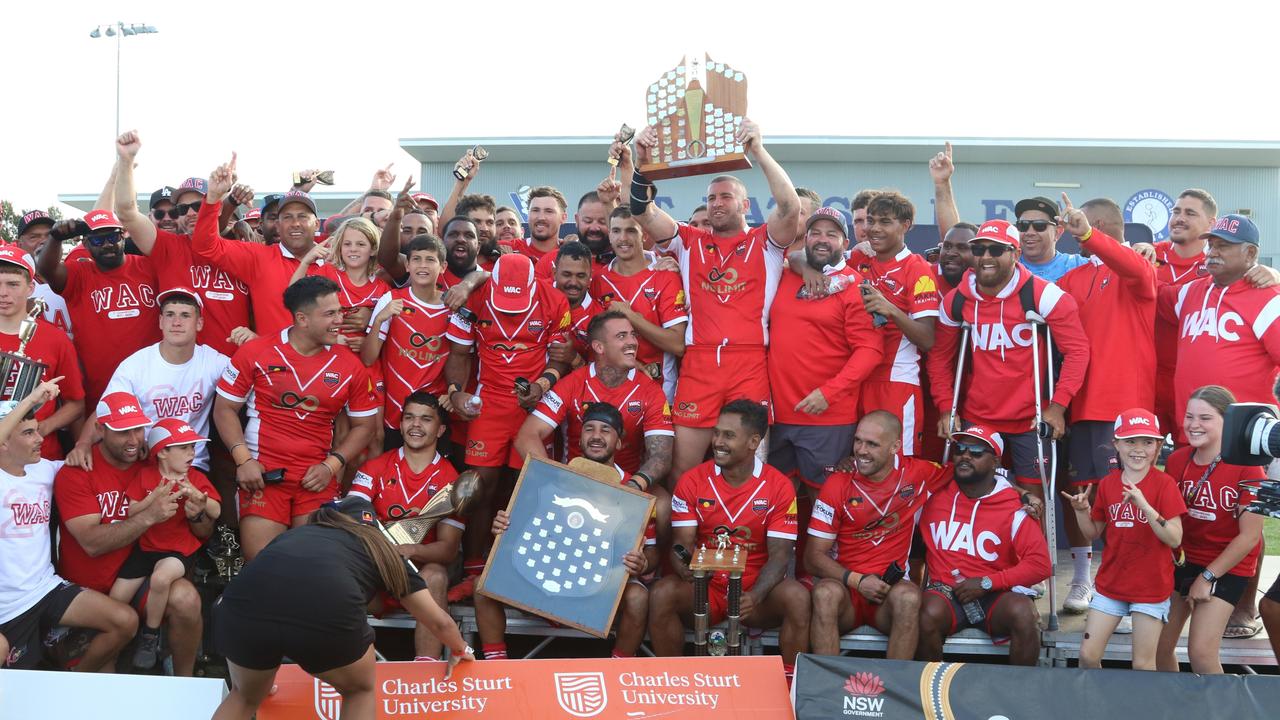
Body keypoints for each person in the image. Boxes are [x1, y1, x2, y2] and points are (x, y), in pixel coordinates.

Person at [630, 119, 800, 484]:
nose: (716, 203)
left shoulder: (764, 243)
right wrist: (641, 162)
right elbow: (642, 212)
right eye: (710, 198)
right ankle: (683, 541)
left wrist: (758, 150)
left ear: (744, 203)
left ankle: (742, 541)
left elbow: (789, 208)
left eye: (725, 197)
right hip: (700, 364)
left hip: (749, 363)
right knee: (682, 471)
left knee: (751, 472)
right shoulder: (689, 240)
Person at [211, 497, 473, 720]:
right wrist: (461, 648)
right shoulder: (382, 549)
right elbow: (439, 622)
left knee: (244, 697)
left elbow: (277, 588)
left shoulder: (294, 535)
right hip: (325, 604)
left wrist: (259, 677)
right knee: (359, 690)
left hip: (243, 604)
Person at [214, 276, 380, 561]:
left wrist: (331, 466)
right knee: (263, 563)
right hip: (264, 477)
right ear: (302, 319)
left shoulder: (350, 365)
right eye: (329, 313)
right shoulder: (256, 352)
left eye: (340, 311)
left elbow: (365, 427)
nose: (339, 320)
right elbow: (223, 409)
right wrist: (243, 460)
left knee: (312, 562)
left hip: (315, 479)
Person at [928, 219, 1090, 504]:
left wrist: (1057, 407)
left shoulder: (1044, 295)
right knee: (973, 493)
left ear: (1015, 254)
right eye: (979, 250)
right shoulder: (956, 301)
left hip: (1031, 417)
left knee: (1035, 500)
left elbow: (1077, 351)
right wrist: (945, 408)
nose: (986, 257)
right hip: (978, 416)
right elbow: (940, 358)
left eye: (996, 250)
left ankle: (1033, 549)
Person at [484, 402, 657, 660]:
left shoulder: (635, 494)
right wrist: (504, 525)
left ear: (620, 443)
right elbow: (522, 526)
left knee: (638, 597)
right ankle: (495, 669)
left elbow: (652, 551)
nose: (596, 436)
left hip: (598, 586)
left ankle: (618, 671)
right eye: (589, 429)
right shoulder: (549, 476)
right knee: (483, 584)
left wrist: (642, 562)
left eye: (605, 431)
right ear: (580, 436)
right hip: (544, 573)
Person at [650, 400, 808, 682]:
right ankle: (671, 683)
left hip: (752, 591)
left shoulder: (778, 486)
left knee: (797, 597)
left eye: (729, 436)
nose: (718, 442)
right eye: (717, 433)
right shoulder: (692, 480)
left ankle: (788, 689)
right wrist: (686, 566)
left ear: (753, 442)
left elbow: (781, 555)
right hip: (705, 588)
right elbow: (681, 544)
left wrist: (756, 596)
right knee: (663, 592)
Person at [443, 251, 572, 595]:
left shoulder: (554, 300)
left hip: (534, 404)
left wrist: (542, 385)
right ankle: (472, 569)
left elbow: (563, 359)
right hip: (489, 402)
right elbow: (458, 355)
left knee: (527, 487)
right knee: (477, 486)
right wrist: (456, 393)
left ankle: (520, 567)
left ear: (534, 285)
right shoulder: (474, 297)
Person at [1054, 195, 1159, 614]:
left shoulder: (1139, 267)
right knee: (1077, 496)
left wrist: (1086, 234)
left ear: (1096, 224)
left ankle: (1128, 583)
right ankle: (1083, 579)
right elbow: (1028, 295)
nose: (1074, 235)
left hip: (1125, 410)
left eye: (1079, 227)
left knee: (1129, 499)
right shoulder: (1078, 277)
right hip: (1079, 406)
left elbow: (1133, 267)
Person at [54, 391, 206, 675]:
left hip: (140, 580)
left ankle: (187, 683)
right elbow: (91, 543)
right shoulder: (76, 472)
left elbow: (201, 531)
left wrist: (198, 513)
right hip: (89, 592)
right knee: (101, 686)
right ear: (100, 429)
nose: (134, 439)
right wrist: (149, 515)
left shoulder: (154, 467)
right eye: (123, 431)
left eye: (138, 428)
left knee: (186, 599)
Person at [1, 381, 138, 672]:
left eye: (38, 430)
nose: (40, 438)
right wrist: (30, 399)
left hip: (45, 590)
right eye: (28, 433)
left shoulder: (46, 470)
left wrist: (84, 444)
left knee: (124, 622)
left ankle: (76, 679)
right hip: (6, 608)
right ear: (4, 442)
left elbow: (95, 460)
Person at [806, 412, 951, 659]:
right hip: (846, 592)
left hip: (888, 594)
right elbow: (812, 558)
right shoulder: (837, 483)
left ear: (896, 446)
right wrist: (858, 581)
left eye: (872, 444)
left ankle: (893, 692)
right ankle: (826, 692)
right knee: (824, 593)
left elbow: (972, 474)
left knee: (909, 597)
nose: (861, 450)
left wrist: (1021, 493)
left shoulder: (918, 473)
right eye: (858, 441)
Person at [768, 208, 883, 493]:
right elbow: (791, 257)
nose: (822, 240)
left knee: (824, 501)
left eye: (832, 235)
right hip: (776, 415)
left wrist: (828, 394)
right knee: (775, 500)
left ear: (845, 243)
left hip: (827, 417)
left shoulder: (855, 286)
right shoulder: (784, 273)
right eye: (816, 233)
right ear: (804, 238)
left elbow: (870, 351)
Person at [916, 425, 1051, 666]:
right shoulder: (934, 492)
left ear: (995, 461)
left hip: (994, 594)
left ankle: (1022, 696)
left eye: (977, 451)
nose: (966, 456)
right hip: (946, 592)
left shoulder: (1014, 506)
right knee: (925, 612)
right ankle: (927, 695)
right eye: (960, 449)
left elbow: (1041, 565)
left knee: (1023, 613)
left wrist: (988, 583)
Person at [1064, 408, 1186, 671]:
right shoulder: (1108, 484)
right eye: (1130, 441)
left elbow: (1175, 538)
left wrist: (1144, 505)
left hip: (1150, 589)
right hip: (1112, 584)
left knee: (1143, 666)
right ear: (1116, 444)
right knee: (1087, 656)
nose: (1138, 449)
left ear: (1158, 446)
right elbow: (1092, 533)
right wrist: (1081, 511)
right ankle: (1100, 707)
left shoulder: (1165, 484)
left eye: (1147, 441)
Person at [1156, 386, 1265, 673]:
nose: (1193, 424)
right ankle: (1175, 708)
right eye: (1189, 416)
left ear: (1227, 422)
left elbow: (1250, 537)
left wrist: (1207, 577)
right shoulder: (1178, 460)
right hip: (1184, 558)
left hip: (1228, 565)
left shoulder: (1249, 468)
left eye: (1205, 417)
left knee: (1201, 653)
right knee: (1158, 646)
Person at [347, 392, 463, 661]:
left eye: (426, 419)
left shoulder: (451, 481)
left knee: (435, 574)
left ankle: (425, 671)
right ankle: (340, 673)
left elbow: (447, 550)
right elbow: (352, 517)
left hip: (418, 575)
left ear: (440, 429)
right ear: (399, 425)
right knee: (339, 573)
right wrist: (387, 539)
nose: (416, 425)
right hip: (377, 567)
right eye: (409, 417)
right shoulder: (375, 467)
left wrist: (408, 548)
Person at [113, 132, 251, 358]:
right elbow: (126, 212)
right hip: (184, 375)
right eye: (181, 209)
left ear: (214, 205)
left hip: (237, 370)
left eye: (198, 205)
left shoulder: (243, 250)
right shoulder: (168, 247)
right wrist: (126, 161)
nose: (189, 213)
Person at [70, 288, 229, 480]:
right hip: (143, 460)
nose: (176, 322)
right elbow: (107, 410)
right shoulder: (136, 365)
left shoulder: (213, 362)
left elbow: (248, 378)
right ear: (161, 321)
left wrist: (252, 342)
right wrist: (83, 444)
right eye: (170, 315)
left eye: (185, 315)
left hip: (191, 463)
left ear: (199, 323)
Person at [110, 418, 221, 669]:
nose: (192, 453)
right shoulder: (146, 475)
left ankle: (150, 636)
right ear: (162, 453)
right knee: (117, 596)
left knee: (161, 579)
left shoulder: (194, 477)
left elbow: (216, 508)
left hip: (178, 550)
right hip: (147, 548)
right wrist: (155, 499)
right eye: (184, 448)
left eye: (193, 447)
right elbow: (131, 510)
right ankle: (113, 653)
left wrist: (196, 496)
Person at [518, 310, 673, 482]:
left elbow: (661, 457)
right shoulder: (573, 383)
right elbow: (527, 435)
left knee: (662, 502)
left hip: (625, 484)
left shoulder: (650, 391)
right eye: (622, 336)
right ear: (599, 347)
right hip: (572, 478)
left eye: (633, 335)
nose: (632, 342)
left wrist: (632, 488)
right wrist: (554, 481)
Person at [1169, 214, 1280, 442]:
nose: (1212, 252)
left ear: (1250, 253)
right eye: (1211, 245)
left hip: (1243, 440)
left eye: (1223, 246)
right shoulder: (1189, 291)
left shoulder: (1269, 299)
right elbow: (1144, 286)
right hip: (1191, 433)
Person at [192, 153, 326, 335]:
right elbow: (206, 246)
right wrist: (213, 198)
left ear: (316, 224)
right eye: (287, 217)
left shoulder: (336, 257)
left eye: (302, 216)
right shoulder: (258, 257)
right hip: (276, 363)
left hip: (331, 362)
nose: (295, 223)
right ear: (277, 225)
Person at [38, 209, 161, 407]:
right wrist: (56, 237)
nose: (107, 245)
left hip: (154, 386)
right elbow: (46, 270)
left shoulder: (148, 267)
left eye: (113, 237)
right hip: (103, 392)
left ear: (124, 236)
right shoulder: (79, 274)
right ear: (85, 244)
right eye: (98, 240)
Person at [852, 191, 941, 456]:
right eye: (870, 220)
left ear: (906, 225)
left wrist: (891, 309)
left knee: (898, 464)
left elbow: (928, 338)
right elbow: (801, 259)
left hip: (896, 381)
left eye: (885, 221)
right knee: (857, 461)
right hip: (855, 378)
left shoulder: (918, 269)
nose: (874, 229)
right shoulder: (858, 260)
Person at [363, 235, 452, 448]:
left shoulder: (453, 306)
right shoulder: (392, 300)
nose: (423, 265)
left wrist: (453, 391)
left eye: (430, 259)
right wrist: (379, 320)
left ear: (443, 266)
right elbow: (367, 359)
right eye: (417, 259)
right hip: (394, 410)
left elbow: (463, 357)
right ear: (407, 265)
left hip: (433, 412)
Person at [0, 246, 84, 460]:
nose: (3, 293)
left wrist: (43, 428)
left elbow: (75, 403)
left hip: (39, 458)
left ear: (30, 288)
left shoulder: (55, 338)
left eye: (13, 284)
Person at [593, 206, 687, 393]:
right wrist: (629, 364)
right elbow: (595, 341)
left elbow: (678, 344)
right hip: (611, 389)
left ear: (644, 235)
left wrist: (631, 316)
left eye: (631, 231)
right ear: (609, 236)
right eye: (616, 231)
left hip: (658, 389)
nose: (623, 238)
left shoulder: (665, 275)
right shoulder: (599, 280)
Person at [293, 216, 390, 357]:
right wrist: (305, 262)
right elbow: (295, 298)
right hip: (326, 357)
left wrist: (368, 343)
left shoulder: (383, 289)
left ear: (373, 249)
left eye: (361, 244)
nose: (353, 249)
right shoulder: (327, 272)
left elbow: (387, 335)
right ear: (340, 247)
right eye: (347, 244)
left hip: (364, 364)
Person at [535, 191, 613, 280]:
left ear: (613, 222)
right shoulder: (551, 260)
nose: (594, 228)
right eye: (588, 221)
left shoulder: (623, 262)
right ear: (577, 220)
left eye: (602, 222)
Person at [1012, 196, 1089, 282]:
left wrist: (1088, 234)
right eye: (1023, 225)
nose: (1030, 232)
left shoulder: (1079, 265)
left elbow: (1107, 262)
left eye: (1040, 225)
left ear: (1057, 232)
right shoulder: (1007, 266)